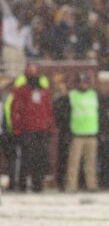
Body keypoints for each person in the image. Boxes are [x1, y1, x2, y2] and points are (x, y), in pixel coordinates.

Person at [9, 64, 55, 192]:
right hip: (27, 130)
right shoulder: (21, 91)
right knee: (26, 158)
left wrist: (50, 127)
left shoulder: (44, 92)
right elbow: (15, 110)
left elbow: (49, 110)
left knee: (39, 158)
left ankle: (37, 184)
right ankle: (23, 184)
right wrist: (17, 128)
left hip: (41, 130)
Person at [65, 73, 100, 192]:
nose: (83, 84)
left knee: (91, 162)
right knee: (74, 162)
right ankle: (71, 185)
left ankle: (92, 185)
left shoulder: (94, 95)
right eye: (80, 82)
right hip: (77, 134)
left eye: (85, 82)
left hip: (91, 133)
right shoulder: (72, 95)